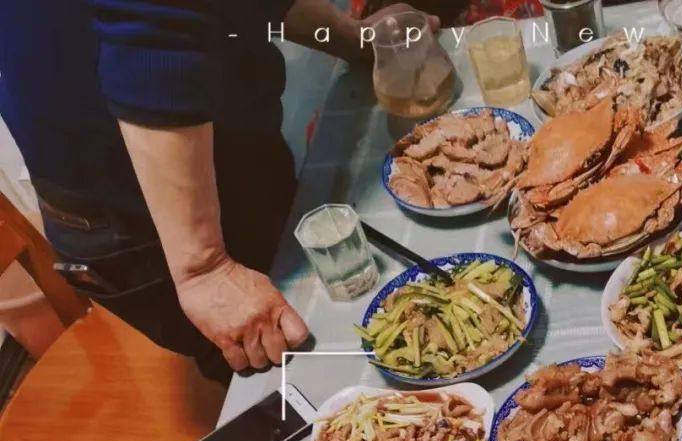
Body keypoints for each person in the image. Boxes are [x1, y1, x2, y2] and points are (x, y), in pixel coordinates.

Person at [0, 0, 437, 378]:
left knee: (309, 318)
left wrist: (350, 38)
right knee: (284, 371)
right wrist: (204, 269)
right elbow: (151, 33)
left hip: (221, 158)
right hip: (134, 210)